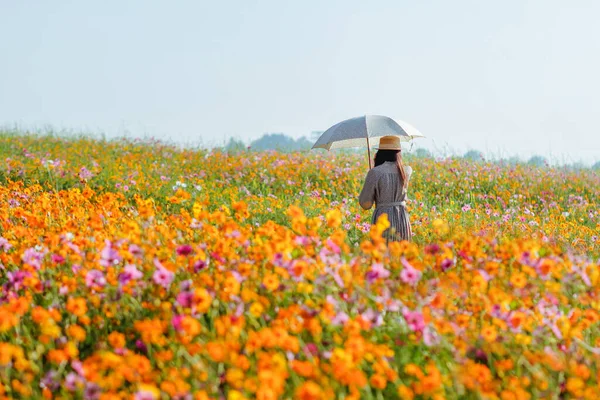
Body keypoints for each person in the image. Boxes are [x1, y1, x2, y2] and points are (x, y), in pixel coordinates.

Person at [359, 136, 413, 241]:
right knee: (401, 253)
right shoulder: (406, 171)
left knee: (383, 253)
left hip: (383, 218)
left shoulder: (375, 173)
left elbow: (365, 204)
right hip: (402, 218)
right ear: (398, 153)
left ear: (379, 153)